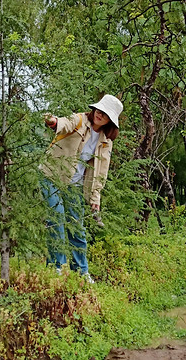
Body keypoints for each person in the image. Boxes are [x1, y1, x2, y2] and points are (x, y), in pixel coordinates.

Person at [39, 94, 123, 282]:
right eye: (99, 110)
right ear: (95, 109)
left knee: (77, 226)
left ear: (110, 120)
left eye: (105, 114)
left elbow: (101, 171)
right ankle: (56, 267)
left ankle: (81, 271)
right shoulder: (79, 120)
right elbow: (63, 123)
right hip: (51, 175)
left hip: (74, 184)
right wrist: (53, 121)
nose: (100, 115)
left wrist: (95, 198)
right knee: (57, 218)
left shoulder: (105, 141)